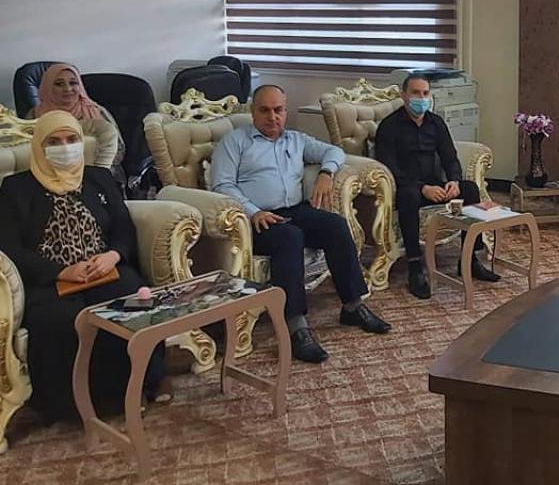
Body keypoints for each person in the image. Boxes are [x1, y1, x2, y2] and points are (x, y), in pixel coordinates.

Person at [0, 112, 169, 421]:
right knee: (65, 323)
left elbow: (123, 227)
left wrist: (113, 255)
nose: (65, 148)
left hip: (104, 271)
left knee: (134, 304)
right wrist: (59, 271)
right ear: (39, 146)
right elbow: (10, 247)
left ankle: (145, 381)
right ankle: (82, 402)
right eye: (54, 142)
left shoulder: (98, 177)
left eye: (71, 139)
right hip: (51, 282)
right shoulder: (15, 189)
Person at [210, 85, 390, 364]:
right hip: (252, 221)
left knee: (335, 226)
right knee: (290, 237)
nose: (273, 117)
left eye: (278, 110)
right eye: (265, 110)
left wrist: (326, 173)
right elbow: (222, 185)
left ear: (286, 111)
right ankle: (296, 327)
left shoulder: (296, 140)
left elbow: (334, 152)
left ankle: (353, 306)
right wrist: (253, 211)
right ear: (253, 111)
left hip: (294, 210)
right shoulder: (235, 142)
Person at [374, 73, 499, 300]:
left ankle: (469, 259)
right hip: (406, 187)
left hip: (436, 185)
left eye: (425, 93)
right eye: (415, 93)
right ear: (404, 95)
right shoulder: (389, 126)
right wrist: (422, 188)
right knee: (410, 196)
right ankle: (415, 267)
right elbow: (389, 166)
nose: (421, 98)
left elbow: (450, 156)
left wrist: (453, 180)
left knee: (470, 189)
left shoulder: (436, 123)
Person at [32, 63, 125, 185]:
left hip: (102, 177)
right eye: (59, 84)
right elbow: (28, 153)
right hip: (49, 177)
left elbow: (119, 150)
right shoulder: (35, 116)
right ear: (47, 87)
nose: (68, 89)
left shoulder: (97, 111)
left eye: (73, 83)